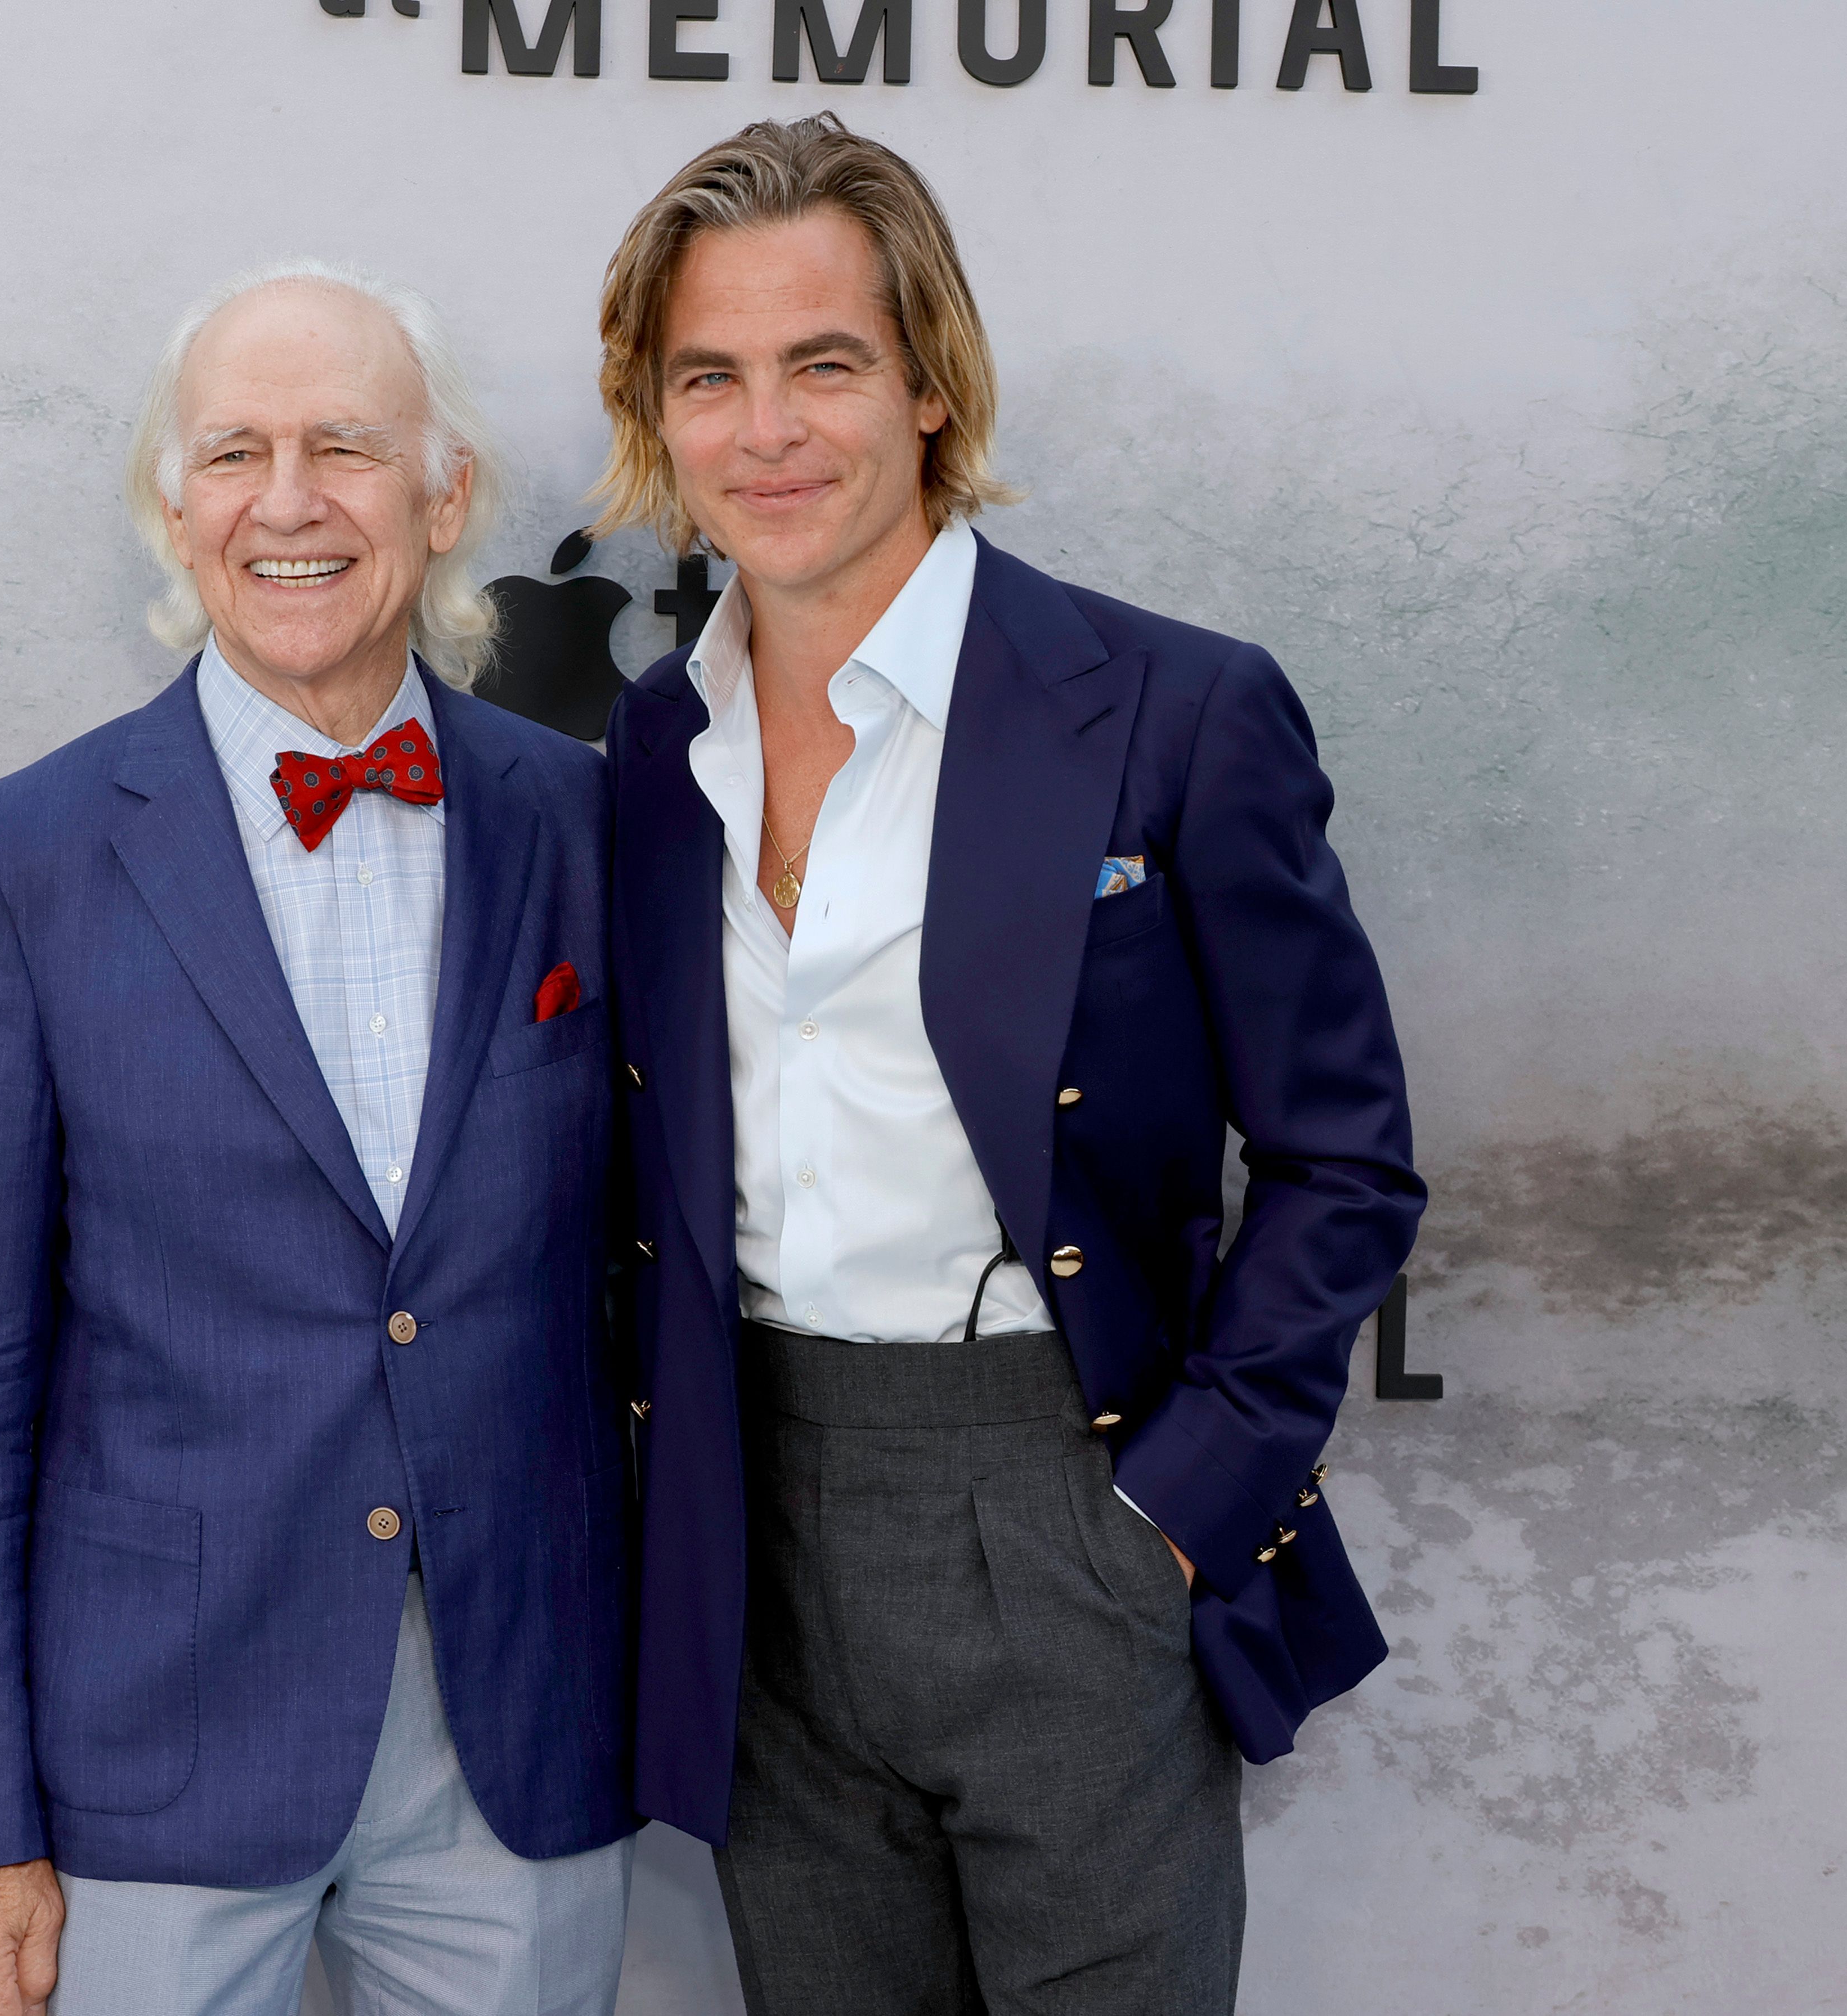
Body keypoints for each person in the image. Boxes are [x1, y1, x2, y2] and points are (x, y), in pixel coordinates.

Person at [594, 115, 1427, 2015]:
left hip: (1069, 1510)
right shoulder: (656, 753)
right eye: (708, 377)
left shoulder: (1175, 710)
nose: (768, 429)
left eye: (825, 363)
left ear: (928, 382)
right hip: (754, 1530)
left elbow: (1345, 1161)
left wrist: (1170, 1514)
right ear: (657, 415)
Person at [0, 261, 635, 2016]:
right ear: (173, 506)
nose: (286, 503)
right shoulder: (17, 863)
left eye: (346, 448)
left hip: (515, 1737)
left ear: (445, 500)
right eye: (233, 453)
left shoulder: (588, 826)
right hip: (148, 1747)